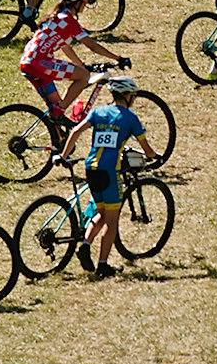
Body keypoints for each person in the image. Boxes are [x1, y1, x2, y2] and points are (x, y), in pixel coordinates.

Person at [58, 76, 157, 278]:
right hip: (110, 171)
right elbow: (147, 150)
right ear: (127, 96)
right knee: (112, 219)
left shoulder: (98, 112)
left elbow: (76, 131)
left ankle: (85, 245)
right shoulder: (130, 118)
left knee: (101, 213)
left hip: (91, 168)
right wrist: (154, 156)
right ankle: (103, 265)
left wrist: (64, 155)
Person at [19, 0, 128, 121]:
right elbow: (92, 46)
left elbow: (66, 47)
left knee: (56, 110)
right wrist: (118, 58)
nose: (85, 6)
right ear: (77, 3)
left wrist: (80, 64)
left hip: (28, 61)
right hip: (39, 63)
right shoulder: (68, 21)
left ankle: (58, 128)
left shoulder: (57, 17)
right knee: (83, 76)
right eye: (84, 3)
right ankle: (59, 112)